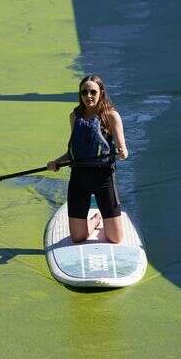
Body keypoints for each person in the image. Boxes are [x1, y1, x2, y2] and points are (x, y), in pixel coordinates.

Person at [47, 75, 128, 244]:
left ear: (101, 93)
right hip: (79, 179)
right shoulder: (75, 117)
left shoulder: (111, 116)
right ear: (80, 94)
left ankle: (105, 218)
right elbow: (74, 152)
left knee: (115, 239)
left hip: (104, 179)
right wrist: (57, 162)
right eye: (84, 92)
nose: (88, 96)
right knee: (78, 237)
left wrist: (121, 153)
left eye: (93, 92)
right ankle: (96, 219)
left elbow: (123, 151)